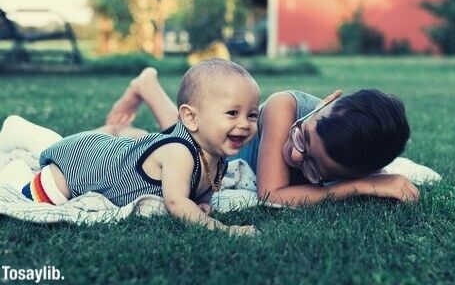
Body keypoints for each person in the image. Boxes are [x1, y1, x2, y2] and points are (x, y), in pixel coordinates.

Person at [106, 66, 420, 206]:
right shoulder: (284, 107)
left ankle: (147, 89)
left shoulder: (356, 154)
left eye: (314, 169)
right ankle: (146, 86)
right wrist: (362, 187)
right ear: (327, 101)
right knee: (185, 138)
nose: (295, 156)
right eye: (301, 139)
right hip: (233, 146)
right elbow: (271, 194)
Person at [17, 59, 260, 236]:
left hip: (116, 152)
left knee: (126, 142)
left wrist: (202, 201)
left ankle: (113, 131)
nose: (244, 124)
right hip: (83, 163)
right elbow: (176, 203)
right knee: (36, 194)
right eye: (232, 113)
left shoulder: (217, 152)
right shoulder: (180, 153)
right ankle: (18, 146)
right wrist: (225, 230)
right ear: (191, 118)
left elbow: (203, 184)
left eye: (251, 115)